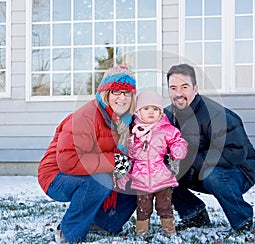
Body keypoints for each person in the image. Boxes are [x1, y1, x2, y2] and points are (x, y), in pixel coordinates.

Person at [38, 66, 138, 243]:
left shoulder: (125, 120)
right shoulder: (87, 116)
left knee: (136, 182)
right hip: (57, 176)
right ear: (105, 93)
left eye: (127, 93)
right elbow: (68, 160)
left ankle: (103, 223)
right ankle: (68, 233)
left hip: (93, 169)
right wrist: (114, 161)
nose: (122, 98)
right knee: (101, 181)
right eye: (116, 91)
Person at [164, 64, 255, 235]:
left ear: (195, 88)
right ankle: (194, 214)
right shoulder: (167, 116)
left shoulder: (216, 115)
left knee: (212, 175)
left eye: (184, 87)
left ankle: (242, 221)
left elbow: (235, 152)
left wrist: (189, 160)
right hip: (198, 169)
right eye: (173, 88)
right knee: (160, 172)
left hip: (237, 170)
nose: (178, 93)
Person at [117, 91, 188, 237]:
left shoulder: (167, 130)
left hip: (162, 177)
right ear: (138, 111)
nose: (151, 112)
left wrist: (178, 149)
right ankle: (141, 232)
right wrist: (124, 175)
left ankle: (169, 231)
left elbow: (178, 140)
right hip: (141, 179)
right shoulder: (134, 132)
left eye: (155, 109)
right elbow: (128, 156)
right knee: (143, 207)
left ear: (161, 112)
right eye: (146, 108)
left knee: (165, 206)